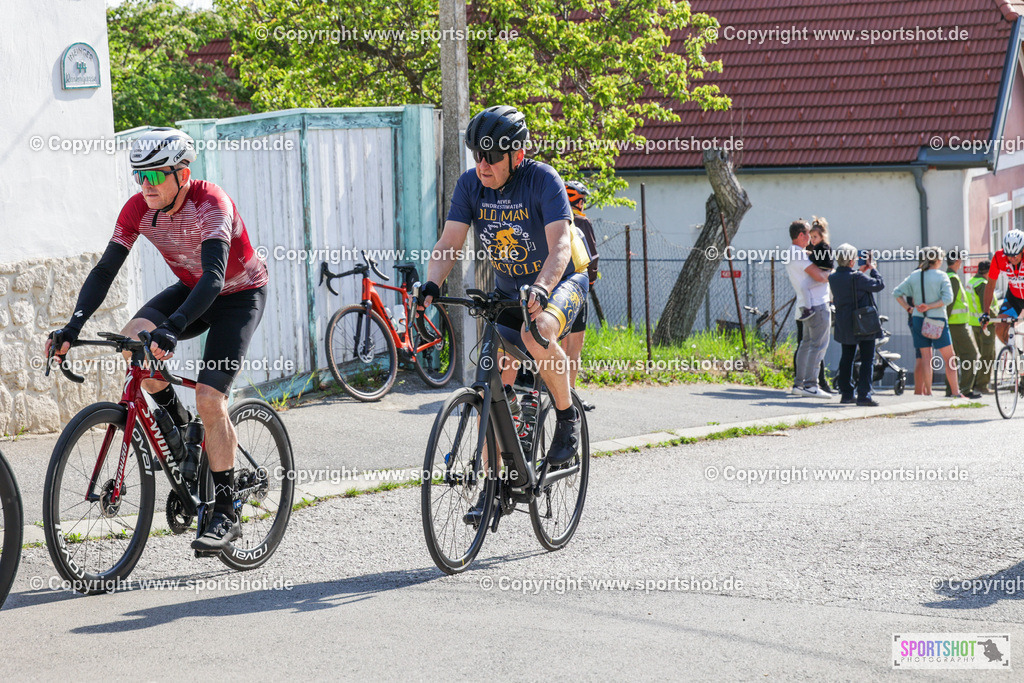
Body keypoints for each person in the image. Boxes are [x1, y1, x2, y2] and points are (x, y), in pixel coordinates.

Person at [44, 128, 269, 553]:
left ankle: (225, 510)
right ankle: (180, 426)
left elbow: (216, 277)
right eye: (138, 177)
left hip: (237, 295)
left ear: (182, 174)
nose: (144, 186)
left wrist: (173, 326)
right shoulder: (136, 209)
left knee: (209, 397)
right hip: (191, 288)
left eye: (154, 177)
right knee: (134, 344)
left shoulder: (211, 203)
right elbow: (104, 271)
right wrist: (72, 326)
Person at [418, 105, 591, 526]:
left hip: (560, 285)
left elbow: (560, 248)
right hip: (509, 293)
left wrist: (543, 287)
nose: (482, 165)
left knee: (536, 335)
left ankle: (567, 419)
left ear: (517, 153)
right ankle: (493, 487)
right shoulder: (469, 185)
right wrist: (430, 288)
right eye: (477, 155)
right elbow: (449, 242)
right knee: (495, 388)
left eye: (491, 157)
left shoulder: (543, 180)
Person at [892, 246, 963, 397]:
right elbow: (948, 299)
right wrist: (930, 306)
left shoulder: (914, 275)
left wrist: (909, 308)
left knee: (926, 357)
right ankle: (956, 392)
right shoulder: (942, 276)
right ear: (937, 260)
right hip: (937, 320)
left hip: (918, 318)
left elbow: (896, 293)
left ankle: (928, 392)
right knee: (949, 358)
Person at [829, 244, 884, 406]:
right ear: (852, 261)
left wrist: (861, 271)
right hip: (863, 322)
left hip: (844, 322)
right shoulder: (857, 277)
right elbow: (878, 284)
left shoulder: (833, 277)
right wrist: (873, 269)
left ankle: (846, 393)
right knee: (868, 359)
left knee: (847, 357)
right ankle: (864, 395)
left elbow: (851, 282)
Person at [561, 180, 599, 411]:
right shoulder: (582, 222)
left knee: (555, 345)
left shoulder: (551, 218)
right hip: (575, 290)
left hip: (551, 291)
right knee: (573, 348)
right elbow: (591, 259)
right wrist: (589, 284)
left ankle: (552, 391)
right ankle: (571, 397)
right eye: (583, 199)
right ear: (578, 200)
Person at [785, 219, 832, 397]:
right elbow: (820, 276)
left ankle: (799, 384)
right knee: (818, 345)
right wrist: (833, 273)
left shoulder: (792, 253)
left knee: (805, 345)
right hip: (817, 304)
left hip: (804, 304)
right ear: (801, 235)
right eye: (807, 233)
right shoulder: (800, 255)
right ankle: (811, 385)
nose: (810, 237)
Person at [945, 251, 982, 398]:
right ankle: (965, 389)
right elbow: (950, 303)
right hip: (956, 324)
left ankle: (951, 390)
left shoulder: (948, 276)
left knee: (954, 357)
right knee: (971, 354)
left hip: (952, 324)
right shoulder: (953, 278)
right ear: (957, 261)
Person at [981, 229, 1024, 345]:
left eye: (1016, 255)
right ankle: (1013, 352)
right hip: (1014, 296)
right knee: (999, 327)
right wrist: (986, 313)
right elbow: (990, 285)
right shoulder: (999, 257)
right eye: (1009, 255)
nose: (1013, 259)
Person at [966, 259, 998, 393]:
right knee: (988, 355)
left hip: (975, 323)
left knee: (984, 354)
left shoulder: (972, 282)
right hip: (986, 324)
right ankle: (981, 385)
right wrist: (998, 319)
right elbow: (986, 306)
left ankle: (976, 383)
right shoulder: (983, 284)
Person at [798, 217, 834, 321]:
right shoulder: (823, 246)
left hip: (823, 273)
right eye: (811, 237)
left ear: (822, 236)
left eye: (815, 237)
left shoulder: (821, 247)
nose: (812, 240)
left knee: (804, 286)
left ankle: (808, 309)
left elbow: (815, 259)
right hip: (824, 273)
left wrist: (806, 254)